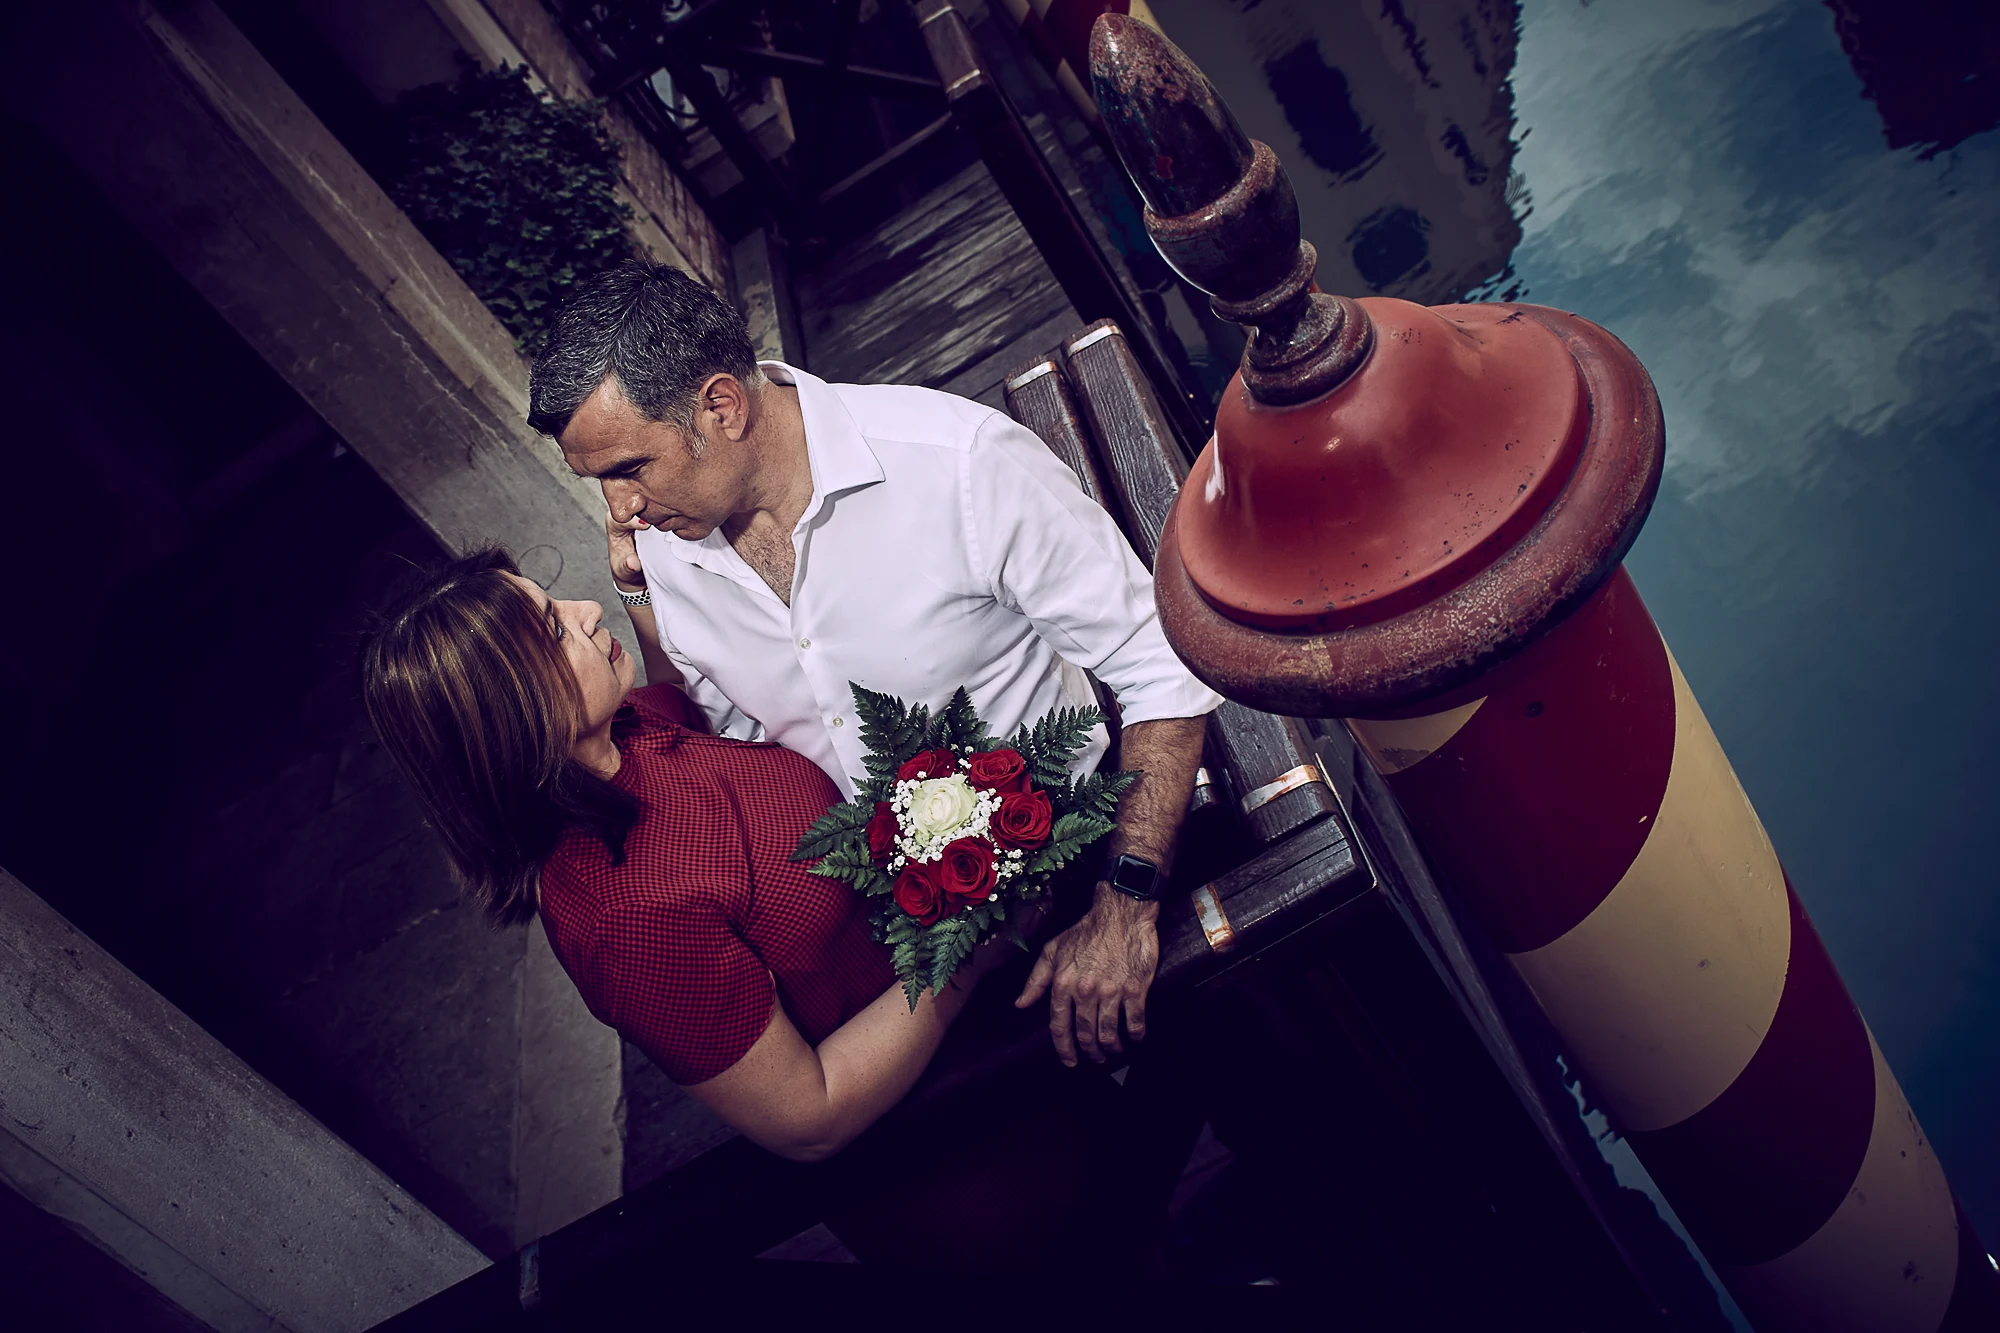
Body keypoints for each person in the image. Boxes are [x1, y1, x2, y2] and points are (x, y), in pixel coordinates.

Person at [527, 260, 1223, 1067]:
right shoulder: (667, 550)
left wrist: (1124, 903)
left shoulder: (958, 464)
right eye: (599, 484)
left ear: (721, 407)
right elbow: (738, 737)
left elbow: (1156, 663)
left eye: (628, 469)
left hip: (1079, 877)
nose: (620, 513)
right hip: (901, 963)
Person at [359, 548, 1025, 1163]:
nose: (585, 611)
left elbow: (675, 700)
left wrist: (637, 590)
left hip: (984, 1033)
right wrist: (965, 961)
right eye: (556, 628)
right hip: (941, 1140)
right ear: (515, 713)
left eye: (557, 602)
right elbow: (807, 1116)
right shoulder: (626, 923)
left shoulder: (625, 734)